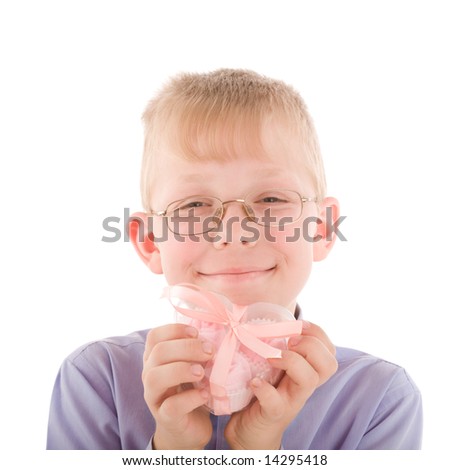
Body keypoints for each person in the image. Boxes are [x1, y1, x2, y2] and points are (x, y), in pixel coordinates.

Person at [47, 69, 422, 450]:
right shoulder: (96, 380)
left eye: (272, 200)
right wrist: (171, 450)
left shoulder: (380, 400)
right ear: (151, 242)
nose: (234, 232)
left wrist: (259, 448)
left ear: (322, 229)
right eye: (193, 205)